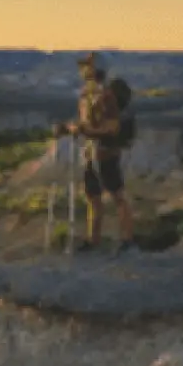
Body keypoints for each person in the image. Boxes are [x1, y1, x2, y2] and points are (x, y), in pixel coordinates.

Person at [56, 53, 136, 253]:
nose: (82, 71)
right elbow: (85, 124)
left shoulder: (106, 96)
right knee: (93, 197)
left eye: (86, 67)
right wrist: (69, 128)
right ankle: (93, 240)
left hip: (106, 152)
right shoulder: (85, 96)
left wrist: (86, 131)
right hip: (90, 153)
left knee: (117, 195)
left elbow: (112, 128)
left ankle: (127, 240)